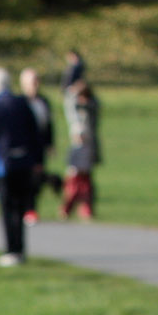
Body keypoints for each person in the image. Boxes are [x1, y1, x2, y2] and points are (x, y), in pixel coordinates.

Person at [0, 66, 41, 267]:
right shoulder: (22, 104)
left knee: (8, 209)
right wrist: (38, 161)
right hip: (25, 162)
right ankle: (19, 249)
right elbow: (35, 134)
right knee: (20, 208)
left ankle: (12, 250)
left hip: (3, 165)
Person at [60, 77, 101, 221]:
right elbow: (69, 102)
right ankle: (67, 208)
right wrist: (73, 92)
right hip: (77, 144)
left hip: (88, 145)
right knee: (74, 177)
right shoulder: (74, 108)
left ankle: (86, 208)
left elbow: (96, 105)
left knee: (86, 178)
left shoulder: (91, 107)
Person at [18, 66, 55, 225]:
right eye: (32, 81)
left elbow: (49, 124)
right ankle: (24, 207)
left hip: (38, 145)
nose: (36, 84)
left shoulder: (43, 101)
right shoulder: (19, 102)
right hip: (24, 145)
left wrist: (50, 144)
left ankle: (32, 209)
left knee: (37, 178)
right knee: (24, 178)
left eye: (37, 81)